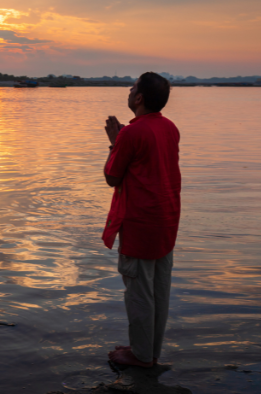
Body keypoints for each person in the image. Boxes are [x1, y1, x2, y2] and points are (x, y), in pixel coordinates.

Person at [103, 72, 181, 368]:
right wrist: (123, 140)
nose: (130, 89)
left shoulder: (130, 134)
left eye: (133, 86)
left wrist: (115, 142)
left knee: (138, 292)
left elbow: (112, 177)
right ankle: (150, 351)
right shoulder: (169, 127)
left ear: (139, 98)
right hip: (166, 220)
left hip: (140, 223)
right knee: (159, 291)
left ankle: (139, 355)